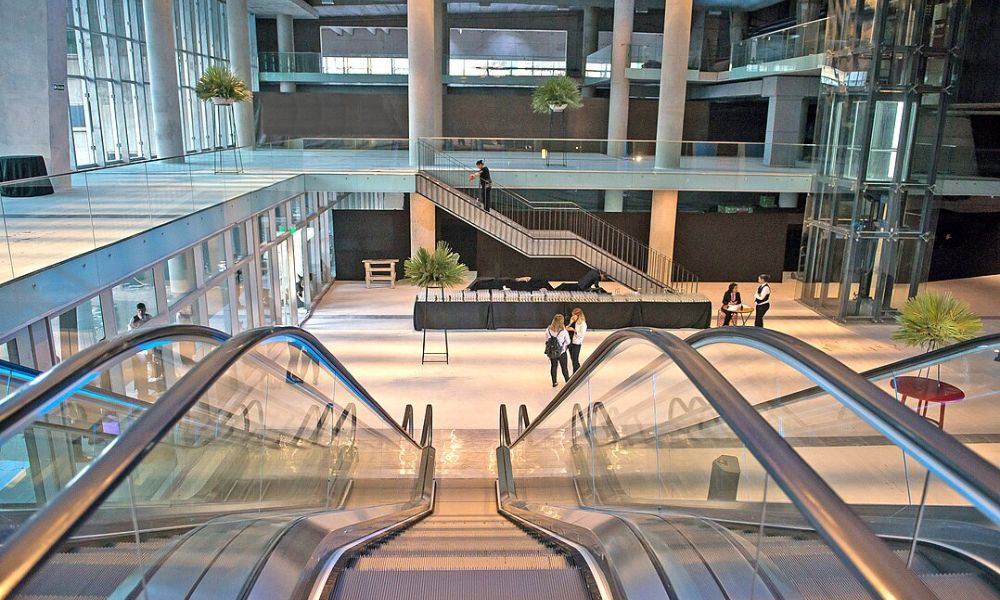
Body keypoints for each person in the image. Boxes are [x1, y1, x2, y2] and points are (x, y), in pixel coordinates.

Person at [544, 314, 571, 387]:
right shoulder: (563, 331)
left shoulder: (548, 330)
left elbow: (546, 340)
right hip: (561, 352)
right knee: (564, 367)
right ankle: (567, 381)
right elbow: (568, 341)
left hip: (552, 352)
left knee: (553, 366)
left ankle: (554, 382)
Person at [566, 308, 587, 373]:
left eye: (573, 315)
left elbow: (581, 335)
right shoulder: (574, 322)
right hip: (571, 342)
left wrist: (574, 330)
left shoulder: (583, 324)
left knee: (575, 360)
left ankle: (578, 373)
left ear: (578, 315)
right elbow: (566, 328)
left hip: (577, 343)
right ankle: (575, 374)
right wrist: (570, 322)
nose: (572, 317)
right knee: (573, 360)